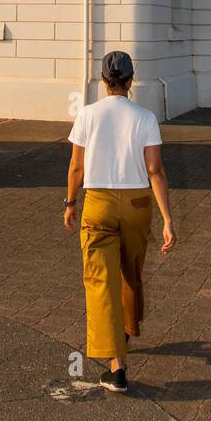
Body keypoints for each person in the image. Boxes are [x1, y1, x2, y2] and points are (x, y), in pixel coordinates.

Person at [63, 50, 176, 393]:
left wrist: (70, 203)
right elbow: (155, 171)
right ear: (131, 81)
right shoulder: (145, 117)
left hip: (98, 203)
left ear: (103, 80)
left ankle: (117, 366)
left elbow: (77, 168)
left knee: (101, 280)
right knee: (130, 271)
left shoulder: (87, 115)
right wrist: (168, 220)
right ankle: (126, 329)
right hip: (138, 203)